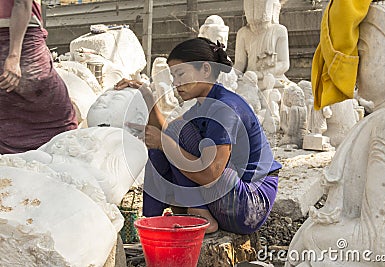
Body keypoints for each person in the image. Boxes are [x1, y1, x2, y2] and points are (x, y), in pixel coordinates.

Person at [115, 37, 281, 234]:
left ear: (205, 69)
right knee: (166, 141)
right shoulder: (205, 104)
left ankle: (198, 212)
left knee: (172, 138)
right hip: (230, 197)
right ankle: (156, 220)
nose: (176, 83)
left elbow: (212, 173)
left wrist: (164, 142)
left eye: (181, 74)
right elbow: (166, 132)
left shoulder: (225, 108)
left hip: (249, 205)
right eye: (173, 76)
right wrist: (147, 96)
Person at [286, 1, 385, 266]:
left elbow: (384, 241)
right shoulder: (382, 120)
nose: (354, 67)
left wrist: (310, 237)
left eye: (363, 51)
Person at [0, 0, 77, 154]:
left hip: (17, 39)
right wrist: (14, 56)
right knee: (57, 118)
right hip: (22, 43)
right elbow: (22, 3)